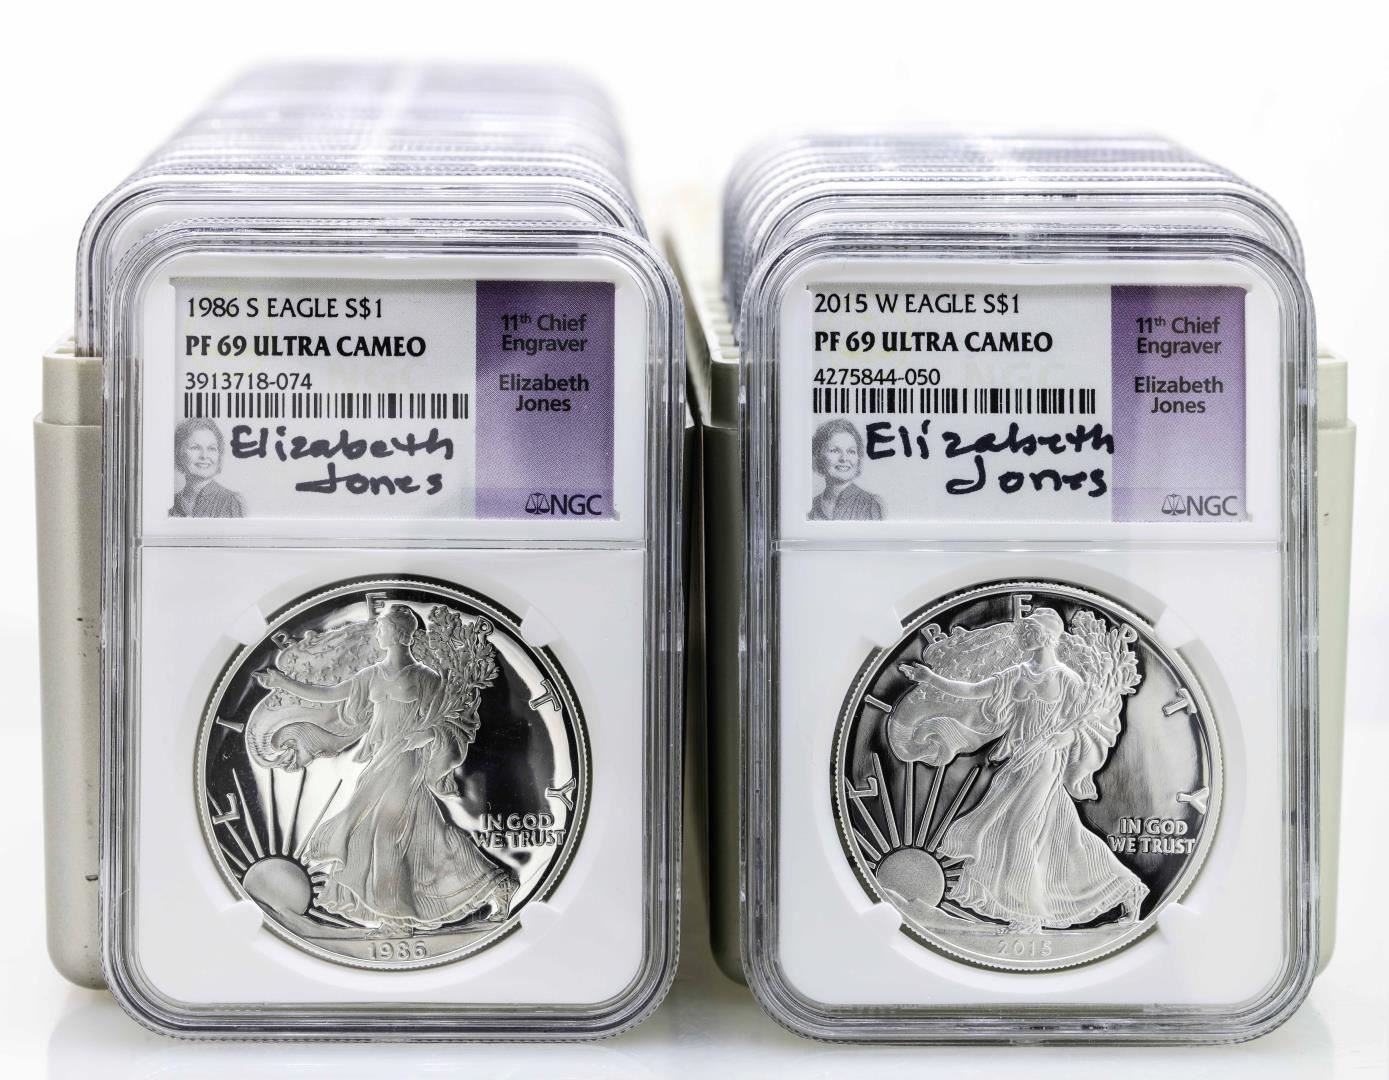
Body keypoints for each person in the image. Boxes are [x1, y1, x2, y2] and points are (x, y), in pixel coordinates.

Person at [254, 605, 517, 934]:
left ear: (399, 634)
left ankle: (396, 919)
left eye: (383, 628)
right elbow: (328, 695)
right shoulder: (371, 676)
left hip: (407, 761)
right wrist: (281, 681)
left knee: (384, 834)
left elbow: (451, 720)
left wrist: (427, 734)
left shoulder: (424, 678)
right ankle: (497, 884)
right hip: (381, 760)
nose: (377, 632)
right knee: (429, 835)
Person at [897, 609, 1147, 933]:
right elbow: (973, 690)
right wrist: (930, 679)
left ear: (1046, 636)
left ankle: (1028, 915)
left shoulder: (1067, 680)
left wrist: (1066, 736)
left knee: (1020, 831)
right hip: (1018, 764)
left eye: (1029, 630)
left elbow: (1086, 723)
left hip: (1045, 763)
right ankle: (1128, 888)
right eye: (1025, 630)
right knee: (1063, 835)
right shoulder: (1016, 674)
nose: (1023, 635)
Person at [809, 418, 884, 521]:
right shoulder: (811, 506)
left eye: (851, 451)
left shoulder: (869, 504)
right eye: (835, 450)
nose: (844, 458)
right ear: (819, 455)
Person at [169, 417, 245, 517]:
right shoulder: (170, 504)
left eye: (211, 448)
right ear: (179, 453)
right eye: (195, 448)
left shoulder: (231, 502)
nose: (204, 456)